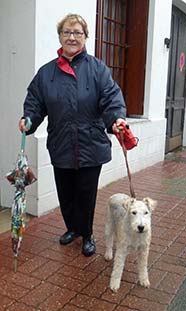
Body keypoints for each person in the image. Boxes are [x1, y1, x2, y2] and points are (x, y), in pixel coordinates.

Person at [19, 13, 126, 257]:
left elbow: (111, 99)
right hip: (61, 142)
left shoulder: (98, 69)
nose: (72, 37)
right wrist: (29, 119)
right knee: (65, 192)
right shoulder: (46, 74)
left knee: (86, 194)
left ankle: (87, 234)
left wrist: (116, 119)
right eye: (67, 32)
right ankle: (72, 229)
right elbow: (35, 102)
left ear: (85, 37)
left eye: (77, 33)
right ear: (60, 36)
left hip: (91, 143)